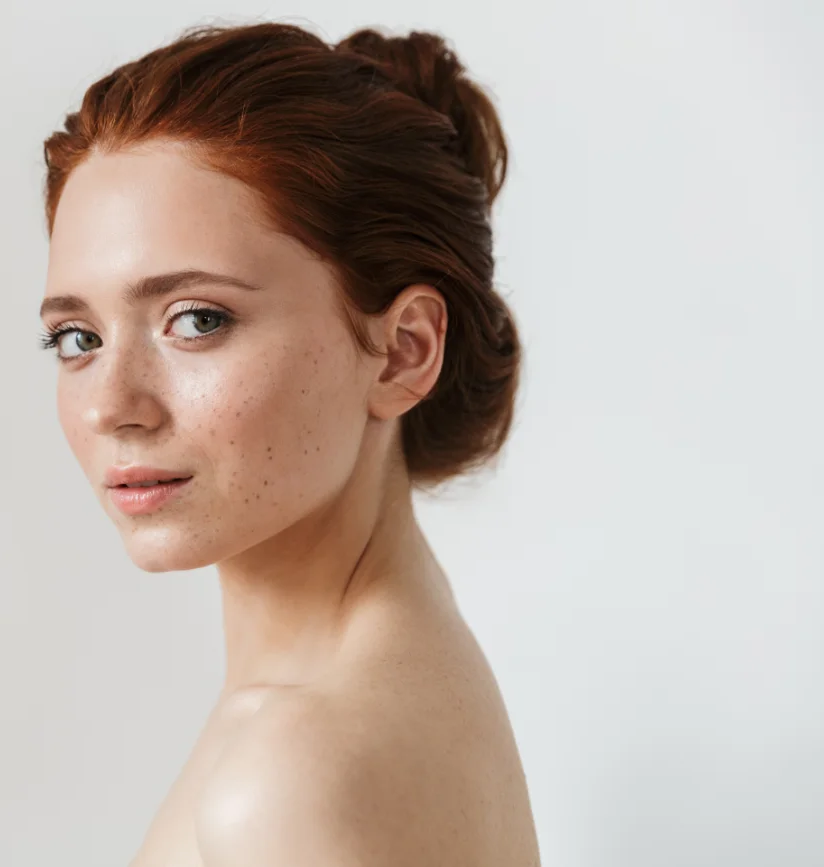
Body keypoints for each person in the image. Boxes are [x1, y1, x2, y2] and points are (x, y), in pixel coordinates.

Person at [36, 19, 541, 866]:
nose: (113, 406)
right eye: (77, 338)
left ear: (404, 349)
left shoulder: (295, 775)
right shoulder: (395, 675)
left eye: (196, 320)